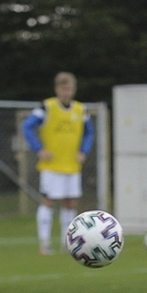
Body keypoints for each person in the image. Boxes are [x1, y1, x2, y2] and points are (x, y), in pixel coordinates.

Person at [22, 72, 95, 255]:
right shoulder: (47, 107)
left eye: (69, 88)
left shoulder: (80, 110)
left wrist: (83, 151)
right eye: (63, 89)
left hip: (71, 165)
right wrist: (39, 148)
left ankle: (67, 242)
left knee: (70, 202)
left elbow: (89, 132)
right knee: (48, 201)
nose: (66, 92)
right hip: (52, 165)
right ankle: (45, 243)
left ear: (74, 89)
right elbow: (27, 126)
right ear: (57, 89)